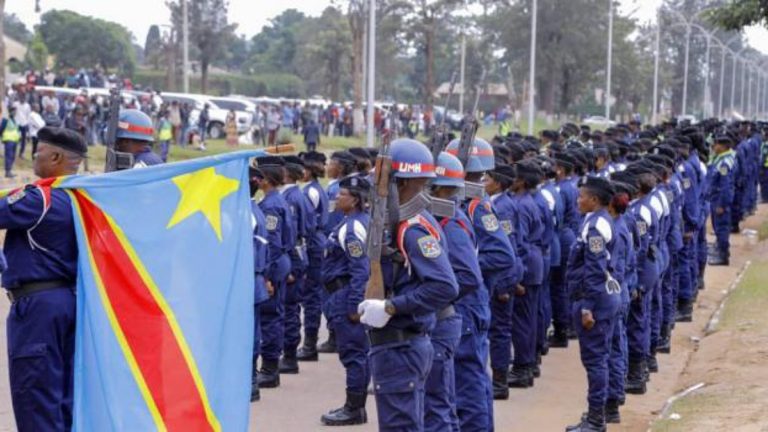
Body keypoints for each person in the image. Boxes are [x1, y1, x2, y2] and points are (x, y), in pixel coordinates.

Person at [357, 138, 459, 432]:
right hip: (399, 346)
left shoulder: (412, 228)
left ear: (398, 185)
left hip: (402, 345)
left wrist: (390, 306)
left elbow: (444, 286)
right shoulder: (405, 222)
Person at [2, 127, 87, 431]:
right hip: (69, 301)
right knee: (62, 397)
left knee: (35, 397)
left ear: (55, 156)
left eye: (38, 151)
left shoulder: (41, 197)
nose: (35, 156)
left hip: (38, 308)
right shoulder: (83, 195)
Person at [430, 151, 493, 431]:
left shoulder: (450, 222)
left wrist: (434, 294)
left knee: (467, 391)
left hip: (464, 309)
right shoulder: (446, 218)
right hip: (465, 308)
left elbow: (468, 275)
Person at [565, 176, 621, 432]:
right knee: (598, 359)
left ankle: (596, 419)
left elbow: (595, 269)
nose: (578, 200)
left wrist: (588, 306)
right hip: (597, 297)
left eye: (582, 196)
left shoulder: (597, 226)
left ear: (594, 200)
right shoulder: (593, 221)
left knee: (596, 360)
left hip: (595, 301)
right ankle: (598, 413)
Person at [320, 176, 371, 426]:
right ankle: (355, 405)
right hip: (340, 293)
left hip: (345, 294)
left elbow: (360, 269)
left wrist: (353, 306)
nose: (337, 198)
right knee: (357, 353)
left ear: (355, 200)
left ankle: (354, 409)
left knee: (354, 354)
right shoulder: (352, 222)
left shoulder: (352, 229)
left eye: (342, 194)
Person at [254, 156, 295, 389]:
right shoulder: (276, 200)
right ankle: (270, 366)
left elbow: (272, 243)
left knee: (270, 318)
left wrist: (267, 276)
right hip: (280, 262)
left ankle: (270, 369)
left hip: (274, 264)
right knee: (274, 315)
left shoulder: (271, 205)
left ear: (266, 179)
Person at [279, 156, 314, 375]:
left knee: (290, 309)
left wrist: (291, 265)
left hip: (294, 256)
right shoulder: (293, 195)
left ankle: (290, 356)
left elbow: (291, 234)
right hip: (298, 254)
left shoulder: (292, 198)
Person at [296, 151, 329, 362]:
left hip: (313, 245)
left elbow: (307, 223)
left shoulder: (310, 192)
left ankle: (309, 343)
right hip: (318, 242)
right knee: (312, 295)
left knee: (311, 296)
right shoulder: (317, 190)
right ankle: (309, 341)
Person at [248, 166, 272, 402]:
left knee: (248, 332)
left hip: (247, 279)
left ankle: (250, 381)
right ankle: (250, 380)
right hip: (254, 279)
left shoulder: (247, 212)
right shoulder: (253, 209)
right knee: (251, 330)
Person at [707, 136, 737, 266]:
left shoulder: (725, 163)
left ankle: (723, 256)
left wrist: (722, 204)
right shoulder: (720, 159)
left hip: (720, 199)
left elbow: (726, 185)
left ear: (723, 146)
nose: (714, 147)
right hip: (716, 197)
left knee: (722, 228)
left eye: (716, 144)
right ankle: (721, 250)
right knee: (718, 227)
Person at [0, 106, 21, 178]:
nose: (15, 113)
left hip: (15, 140)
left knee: (12, 156)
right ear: (10, 111)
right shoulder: (6, 120)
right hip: (8, 139)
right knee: (8, 156)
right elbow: (1, 129)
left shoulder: (14, 120)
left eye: (15, 111)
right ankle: (7, 171)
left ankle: (10, 171)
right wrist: (2, 137)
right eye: (13, 111)